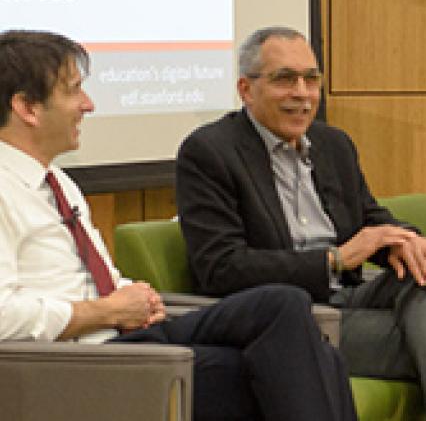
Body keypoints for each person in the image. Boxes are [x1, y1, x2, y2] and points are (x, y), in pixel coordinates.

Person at [0, 30, 358, 421]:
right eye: (73, 91)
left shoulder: (57, 181)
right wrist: (104, 311)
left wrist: (132, 295)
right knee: (301, 361)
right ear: (27, 107)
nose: (88, 104)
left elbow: (83, 275)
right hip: (71, 362)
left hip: (124, 336)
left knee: (286, 308)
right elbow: (3, 316)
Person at [176, 26, 426, 421]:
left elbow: (370, 216)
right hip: (290, 323)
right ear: (246, 89)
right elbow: (220, 268)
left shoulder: (333, 144)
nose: (302, 93)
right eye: (284, 79)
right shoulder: (210, 152)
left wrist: (406, 240)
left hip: (349, 302)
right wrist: (334, 260)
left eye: (311, 79)